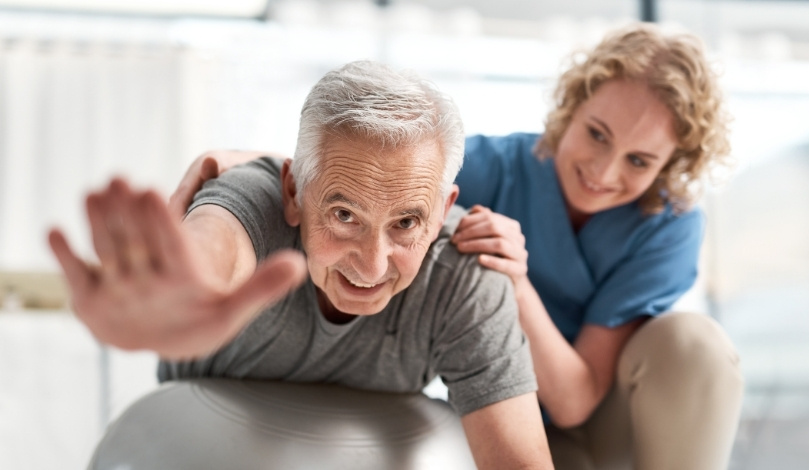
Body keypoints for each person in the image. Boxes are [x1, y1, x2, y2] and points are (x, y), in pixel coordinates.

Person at [171, 22, 744, 470]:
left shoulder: (666, 227)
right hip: (488, 411)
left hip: (599, 414)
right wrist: (247, 167)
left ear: (672, 166)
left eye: (640, 161)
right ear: (570, 109)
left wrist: (515, 284)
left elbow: (574, 402)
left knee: (693, 340)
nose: (603, 170)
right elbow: (370, 167)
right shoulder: (501, 167)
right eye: (596, 134)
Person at [48, 60, 553, 470]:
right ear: (294, 192)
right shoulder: (255, 199)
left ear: (443, 211)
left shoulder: (465, 269)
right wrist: (182, 293)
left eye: (405, 223)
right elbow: (214, 245)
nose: (373, 264)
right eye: (344, 215)